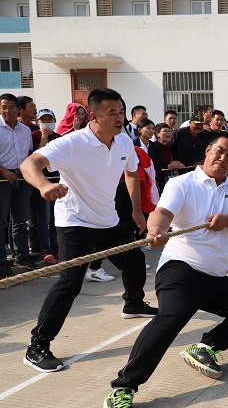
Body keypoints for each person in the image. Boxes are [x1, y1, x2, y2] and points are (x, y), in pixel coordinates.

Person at [104, 132, 228, 408]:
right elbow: (162, 213)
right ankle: (123, 388)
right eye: (219, 151)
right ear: (207, 151)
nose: (223, 158)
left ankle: (206, 348)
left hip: (215, 277)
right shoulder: (182, 183)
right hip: (180, 270)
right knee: (172, 316)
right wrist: (155, 231)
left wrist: (227, 220)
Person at [20, 88, 158, 374]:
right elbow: (29, 163)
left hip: (108, 220)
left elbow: (132, 173)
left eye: (121, 112)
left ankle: (133, 305)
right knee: (69, 283)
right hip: (75, 223)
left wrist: (136, 210)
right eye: (112, 113)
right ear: (93, 116)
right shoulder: (72, 143)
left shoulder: (124, 142)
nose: (119, 118)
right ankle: (37, 347)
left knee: (134, 262)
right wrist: (44, 185)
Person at [0, 93, 39, 277]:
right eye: (3, 107)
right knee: (1, 222)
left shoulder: (25, 130)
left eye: (11, 107)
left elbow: (29, 154)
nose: (7, 111)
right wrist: (4, 171)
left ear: (18, 109)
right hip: (2, 179)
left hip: (22, 179)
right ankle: (2, 262)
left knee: (21, 220)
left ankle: (22, 255)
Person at [30, 108, 61, 265]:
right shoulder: (33, 136)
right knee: (44, 218)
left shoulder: (59, 138)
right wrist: (43, 137)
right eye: (43, 120)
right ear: (37, 122)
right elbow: (34, 159)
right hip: (40, 182)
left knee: (55, 217)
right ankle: (46, 251)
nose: (47, 123)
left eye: (50, 119)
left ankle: (55, 248)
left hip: (56, 181)